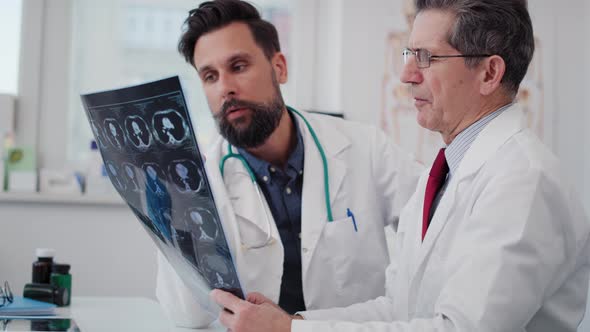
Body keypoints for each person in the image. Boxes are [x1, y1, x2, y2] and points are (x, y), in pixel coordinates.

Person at [210, 0, 590, 331]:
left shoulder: (523, 180)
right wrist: (292, 323)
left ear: (489, 73)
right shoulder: (445, 171)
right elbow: (400, 306)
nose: (407, 75)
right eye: (409, 56)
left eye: (426, 58)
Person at [155, 0, 423, 328]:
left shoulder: (366, 148)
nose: (225, 88)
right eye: (210, 76)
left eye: (238, 66)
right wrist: (169, 214)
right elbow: (187, 317)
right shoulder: (199, 183)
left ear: (279, 67)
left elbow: (436, 231)